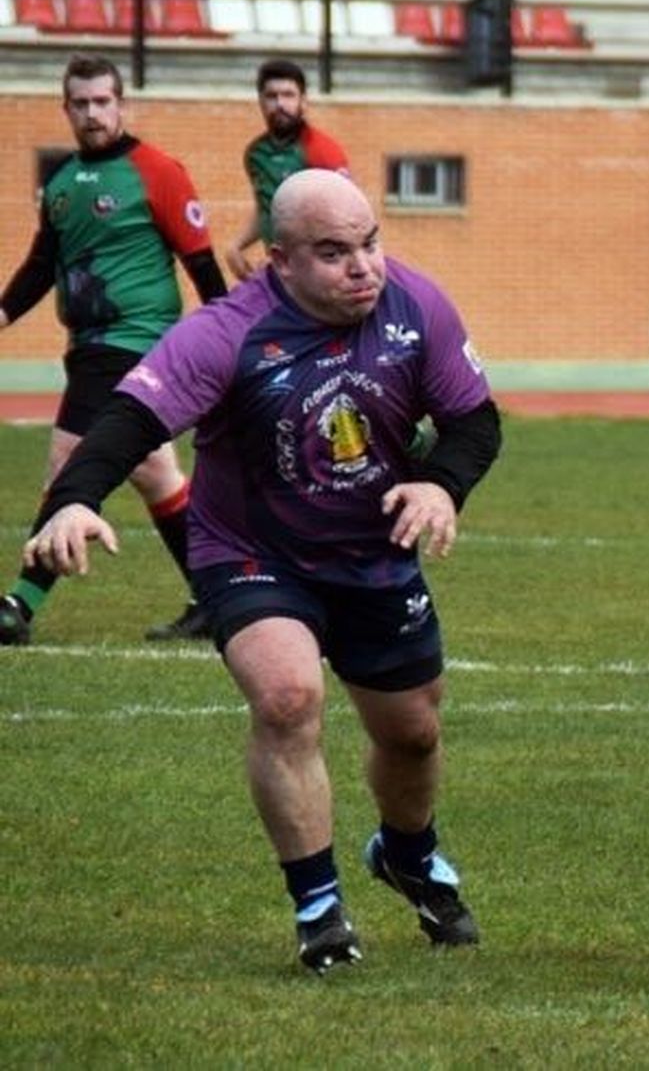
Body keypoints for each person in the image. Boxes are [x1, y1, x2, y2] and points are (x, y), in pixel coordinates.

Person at [22, 169, 502, 974]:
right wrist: (73, 500)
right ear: (280, 259)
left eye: (370, 243)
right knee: (287, 698)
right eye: (334, 253)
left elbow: (475, 422)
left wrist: (440, 485)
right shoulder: (226, 332)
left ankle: (407, 854)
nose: (363, 267)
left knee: (413, 735)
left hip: (373, 553)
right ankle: (320, 911)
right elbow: (129, 421)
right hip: (252, 552)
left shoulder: (417, 305)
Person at [0, 54, 227, 647]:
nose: (93, 113)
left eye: (103, 101)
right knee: (155, 473)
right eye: (81, 103)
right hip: (89, 347)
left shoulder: (157, 171)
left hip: (136, 342)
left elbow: (202, 263)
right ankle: (216, 597)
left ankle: (18, 605)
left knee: (68, 461)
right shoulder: (61, 183)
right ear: (66, 109)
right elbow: (41, 265)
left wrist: (232, 336)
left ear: (121, 104)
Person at [224, 59, 350, 282]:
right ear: (260, 101)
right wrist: (236, 247)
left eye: (288, 95)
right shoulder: (256, 154)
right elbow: (267, 209)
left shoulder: (323, 151)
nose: (280, 104)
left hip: (316, 276)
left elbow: (343, 221)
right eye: (271, 96)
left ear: (304, 101)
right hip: (281, 270)